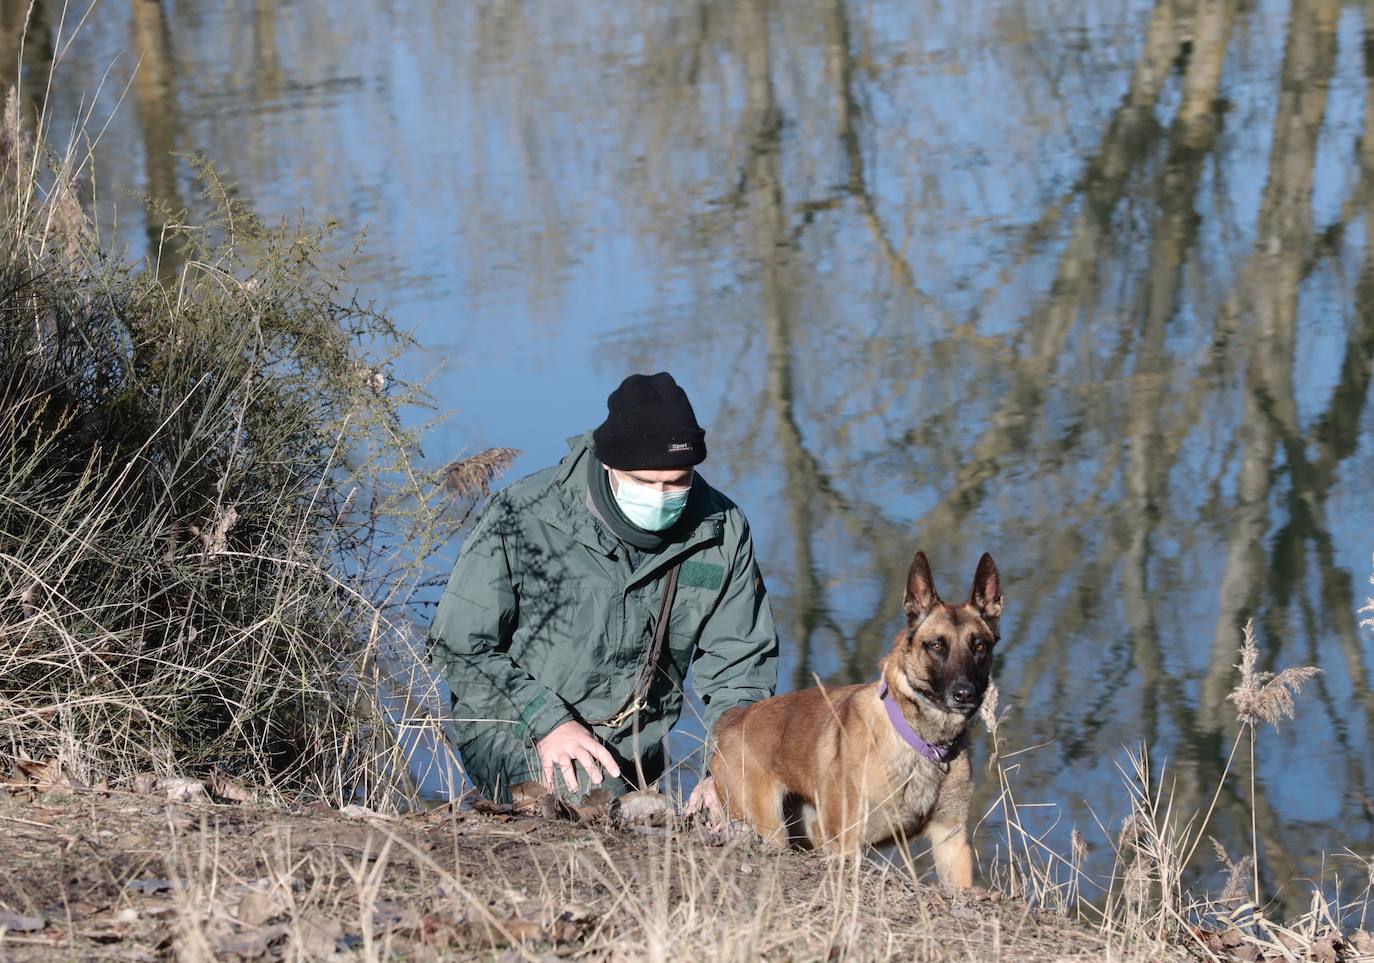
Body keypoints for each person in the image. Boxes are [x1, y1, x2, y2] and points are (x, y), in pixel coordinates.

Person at [427, 372, 778, 821]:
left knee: (755, 809)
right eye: (644, 481)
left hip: (634, 745)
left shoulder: (721, 529)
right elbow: (457, 645)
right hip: (517, 726)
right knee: (597, 815)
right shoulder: (524, 515)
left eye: (676, 482)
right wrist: (546, 719)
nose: (661, 495)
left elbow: (740, 664)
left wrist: (733, 763)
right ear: (609, 464)